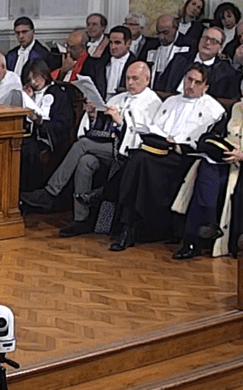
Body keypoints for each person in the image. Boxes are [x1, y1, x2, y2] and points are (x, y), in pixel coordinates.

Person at [21, 62, 161, 237]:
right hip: (106, 145)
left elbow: (145, 134)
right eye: (127, 78)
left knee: (82, 144)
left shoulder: (153, 103)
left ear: (147, 79)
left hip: (129, 151)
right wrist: (93, 116)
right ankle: (81, 219)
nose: (130, 83)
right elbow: (100, 127)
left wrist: (120, 123)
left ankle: (50, 192)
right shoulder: (118, 98)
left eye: (135, 79)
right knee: (85, 162)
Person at [171, 71, 243, 259]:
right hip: (225, 160)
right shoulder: (236, 108)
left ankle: (214, 234)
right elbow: (218, 133)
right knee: (205, 169)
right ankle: (194, 239)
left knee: (229, 186)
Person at [109, 64, 226, 251]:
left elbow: (206, 142)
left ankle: (125, 222)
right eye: (189, 80)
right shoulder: (171, 101)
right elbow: (156, 127)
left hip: (185, 156)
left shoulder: (213, 110)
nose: (191, 86)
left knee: (140, 161)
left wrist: (178, 145)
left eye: (197, 83)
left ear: (206, 87)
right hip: (160, 150)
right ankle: (128, 226)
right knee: (138, 158)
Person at [19, 59, 77, 192]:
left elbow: (63, 123)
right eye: (30, 79)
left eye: (36, 77)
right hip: (30, 137)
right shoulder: (30, 93)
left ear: (44, 74)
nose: (34, 82)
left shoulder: (59, 93)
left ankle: (32, 192)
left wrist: (40, 122)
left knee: (30, 151)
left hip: (49, 140)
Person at [156, 26, 237, 100]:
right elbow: (161, 85)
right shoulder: (179, 59)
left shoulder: (226, 72)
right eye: (205, 38)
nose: (207, 42)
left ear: (220, 47)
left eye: (213, 41)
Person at [86, 25, 139, 99]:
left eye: (117, 43)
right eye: (111, 43)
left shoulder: (137, 65)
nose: (113, 47)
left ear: (128, 43)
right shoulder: (100, 63)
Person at [145, 14, 186, 86]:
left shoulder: (188, 44)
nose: (161, 37)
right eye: (158, 33)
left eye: (165, 33)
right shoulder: (151, 45)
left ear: (175, 28)